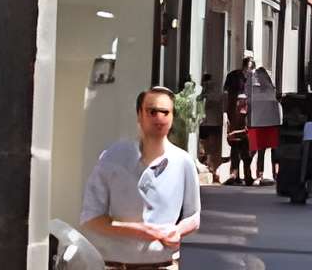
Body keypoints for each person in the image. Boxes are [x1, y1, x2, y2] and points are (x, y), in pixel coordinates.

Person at [80, 84, 202, 267]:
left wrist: (177, 231)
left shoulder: (183, 161)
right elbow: (91, 219)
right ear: (139, 115)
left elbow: (193, 216)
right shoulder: (112, 158)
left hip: (164, 264)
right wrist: (140, 231)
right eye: (152, 112)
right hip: (118, 264)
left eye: (165, 112)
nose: (159, 118)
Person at [245, 61, 282, 183]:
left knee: (269, 150)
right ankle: (262, 174)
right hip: (263, 123)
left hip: (266, 123)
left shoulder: (267, 91)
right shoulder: (266, 91)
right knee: (262, 149)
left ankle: (273, 173)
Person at [196, 72, 224, 181]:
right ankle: (211, 167)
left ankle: (211, 166)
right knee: (211, 147)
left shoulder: (204, 94)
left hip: (208, 123)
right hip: (212, 123)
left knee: (208, 146)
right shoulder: (213, 94)